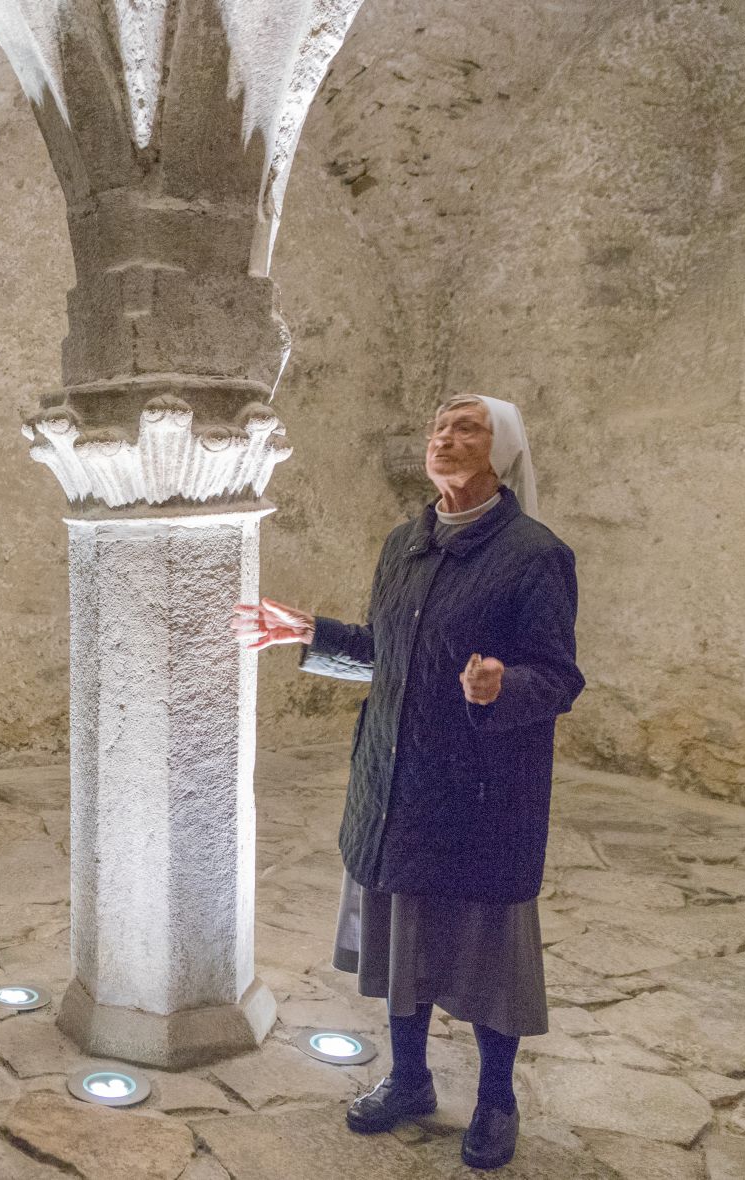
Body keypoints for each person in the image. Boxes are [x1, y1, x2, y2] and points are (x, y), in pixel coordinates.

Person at [232, 394, 583, 1171]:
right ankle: (409, 1078)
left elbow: (558, 676)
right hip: (395, 781)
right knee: (401, 943)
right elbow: (390, 653)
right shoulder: (404, 543)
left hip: (480, 793)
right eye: (437, 428)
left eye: (465, 428)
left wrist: (503, 685)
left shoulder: (533, 555)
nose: (443, 439)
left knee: (489, 957)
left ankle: (495, 1099)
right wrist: (311, 633)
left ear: (502, 451)